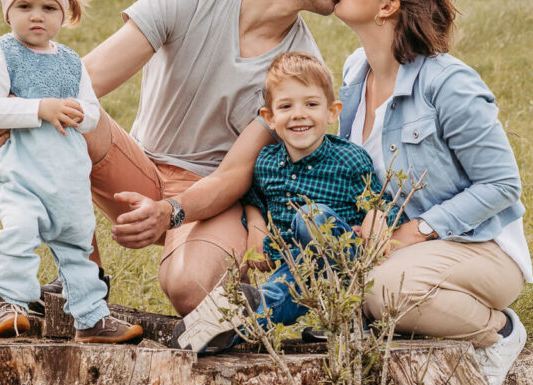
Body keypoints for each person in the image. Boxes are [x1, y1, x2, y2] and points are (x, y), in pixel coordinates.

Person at [0, 0, 365, 315]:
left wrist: (171, 211)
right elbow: (84, 80)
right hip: (136, 169)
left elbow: (235, 173)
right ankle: (83, 278)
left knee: (190, 289)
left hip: (210, 197)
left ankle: (229, 283)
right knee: (69, 112)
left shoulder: (299, 67)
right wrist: (16, 112)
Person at [334, 0, 533, 385]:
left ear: (388, 6)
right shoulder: (355, 73)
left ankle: (499, 331)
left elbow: (502, 184)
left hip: (481, 247)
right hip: (402, 249)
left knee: (383, 290)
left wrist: (418, 230)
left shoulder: (449, 82)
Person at [170, 52, 405, 353]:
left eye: (311, 104)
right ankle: (224, 330)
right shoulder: (267, 163)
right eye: (286, 106)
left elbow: (386, 203)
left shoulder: (349, 159)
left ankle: (349, 313)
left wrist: (375, 214)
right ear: (269, 117)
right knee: (278, 296)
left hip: (348, 263)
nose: (298, 114)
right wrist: (256, 225)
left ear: (332, 112)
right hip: (298, 267)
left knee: (311, 218)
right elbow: (252, 196)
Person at [0, 0, 143, 344]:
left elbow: (92, 113)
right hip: (20, 174)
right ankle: (9, 302)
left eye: (49, 8)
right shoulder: (0, 53)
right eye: (24, 6)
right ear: (7, 11)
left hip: (67, 178)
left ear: (64, 12)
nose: (37, 16)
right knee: (19, 233)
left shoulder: (70, 62)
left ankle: (92, 317)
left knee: (77, 246)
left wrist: (78, 112)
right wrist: (41, 108)